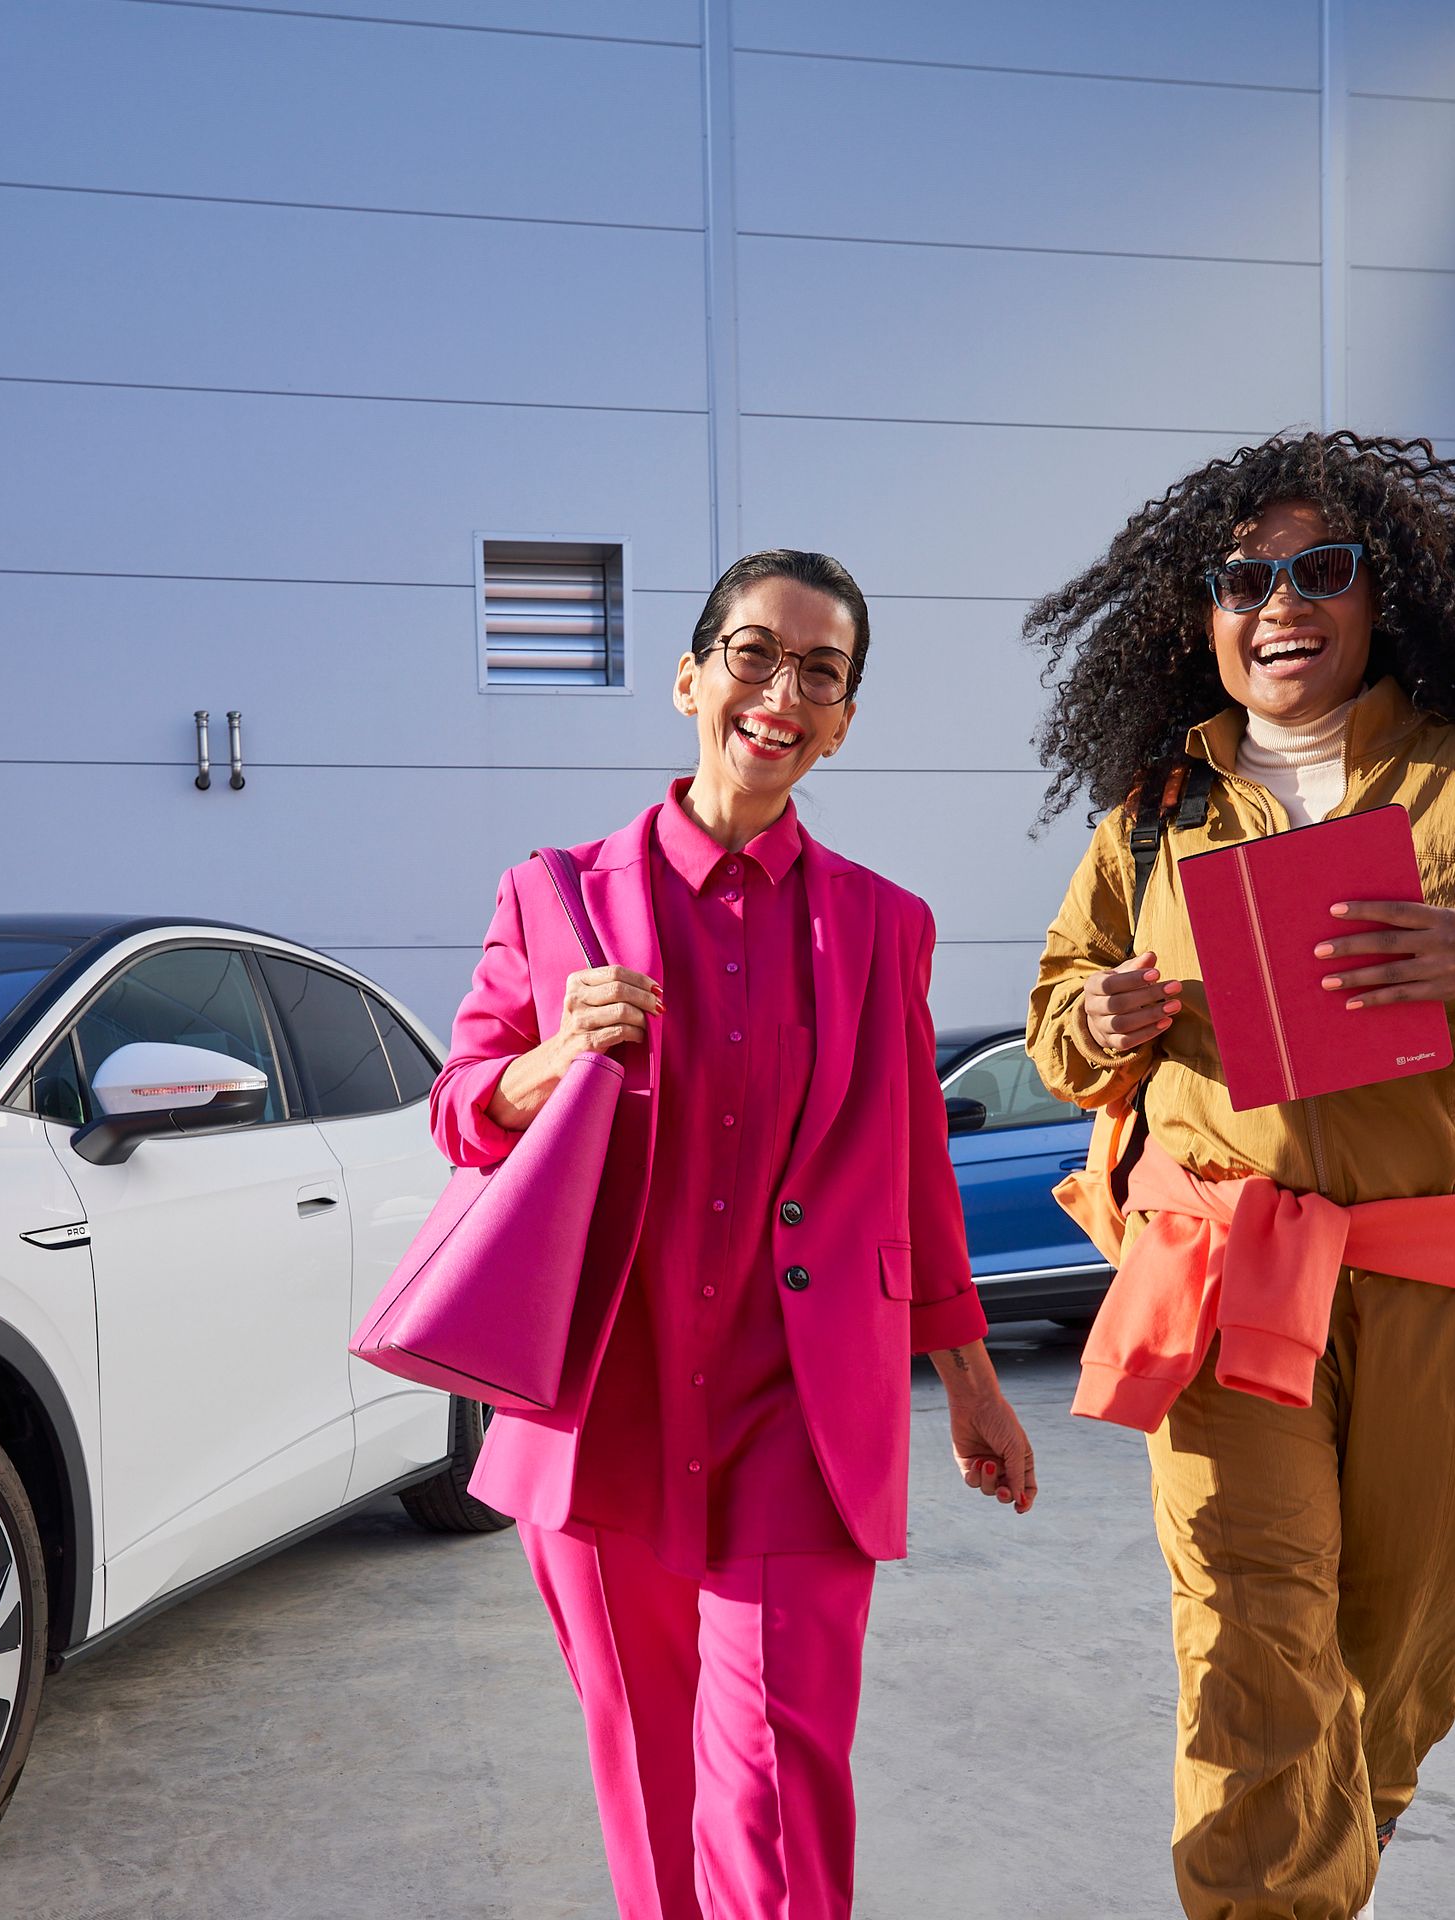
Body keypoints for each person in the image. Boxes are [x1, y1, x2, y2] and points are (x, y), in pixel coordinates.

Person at [1021, 433, 1455, 1920]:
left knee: (1389, 1676)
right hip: (1225, 1291)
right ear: (1197, 614)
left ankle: (1316, 1890)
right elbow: (1061, 1021)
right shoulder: (1152, 816)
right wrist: (1095, 1018)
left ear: (1377, 597)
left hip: (1445, 1298)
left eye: (1319, 570)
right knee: (1256, 1653)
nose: (1280, 602)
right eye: (1243, 577)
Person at [433, 548, 1041, 1920]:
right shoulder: (554, 896)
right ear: (690, 677)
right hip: (607, 1398)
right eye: (756, 654)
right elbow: (462, 1110)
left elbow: (910, 1169)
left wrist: (974, 1384)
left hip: (801, 1408)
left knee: (775, 1780)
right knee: (647, 1773)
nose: (783, 691)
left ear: (841, 720)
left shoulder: (886, 926)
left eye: (821, 674)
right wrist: (545, 1064)